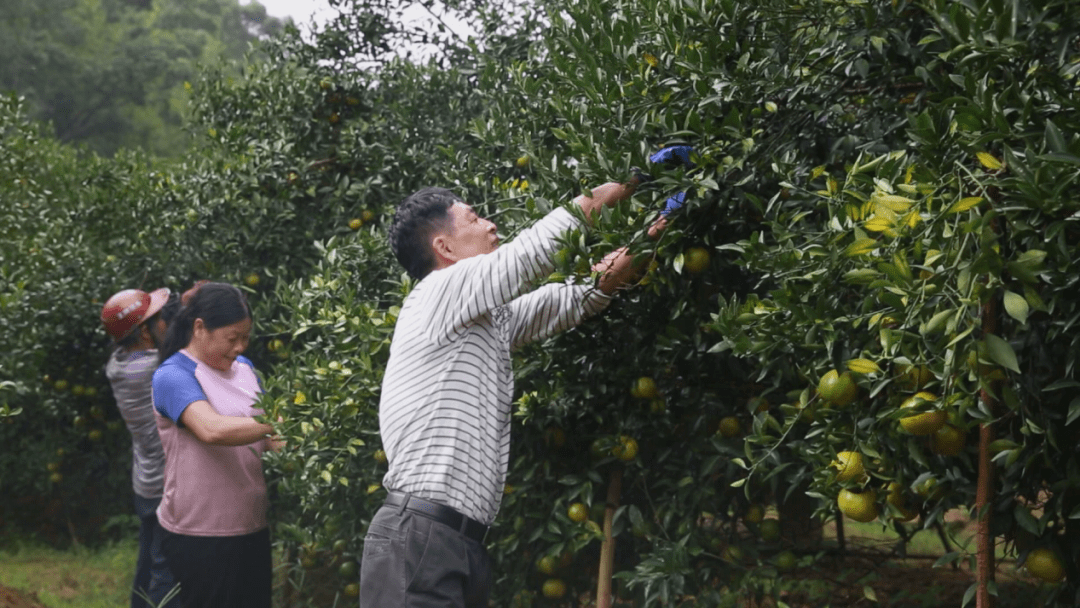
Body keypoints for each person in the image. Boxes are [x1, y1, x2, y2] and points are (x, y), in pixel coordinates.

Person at [360, 148, 692, 607]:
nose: (491, 225)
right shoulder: (438, 292)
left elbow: (579, 297)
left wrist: (657, 229)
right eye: (474, 219)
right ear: (445, 248)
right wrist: (634, 176)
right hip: (419, 539)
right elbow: (535, 251)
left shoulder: (484, 320)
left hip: (459, 540)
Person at [151, 282, 281, 608]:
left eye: (245, 337)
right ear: (200, 328)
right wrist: (282, 423)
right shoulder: (174, 375)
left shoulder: (247, 371)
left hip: (250, 524)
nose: (239, 347)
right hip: (200, 534)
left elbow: (266, 438)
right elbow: (211, 429)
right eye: (231, 337)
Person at [101, 287, 180, 608]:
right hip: (163, 483)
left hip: (145, 482)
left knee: (147, 563)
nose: (168, 325)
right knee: (166, 571)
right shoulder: (150, 369)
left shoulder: (118, 362)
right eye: (160, 320)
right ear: (145, 332)